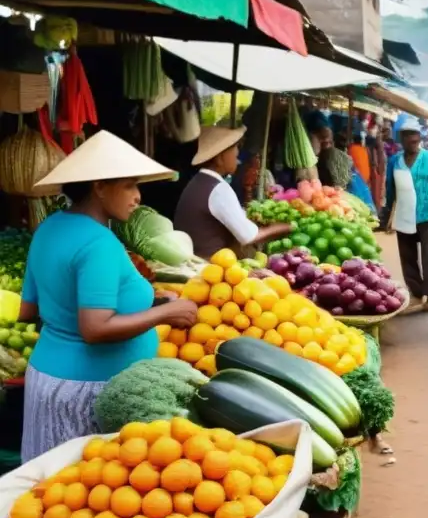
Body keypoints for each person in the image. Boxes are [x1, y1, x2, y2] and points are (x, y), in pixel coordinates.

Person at [19, 131, 200, 461]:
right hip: (84, 393)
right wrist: (165, 314)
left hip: (46, 380)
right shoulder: (98, 243)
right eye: (129, 185)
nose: (138, 196)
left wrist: (151, 301)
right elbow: (95, 328)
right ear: (99, 187)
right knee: (81, 495)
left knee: (45, 490)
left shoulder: (49, 227)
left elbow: (28, 309)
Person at [175, 126, 294, 260]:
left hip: (194, 261)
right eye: (235, 153)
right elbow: (248, 236)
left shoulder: (198, 182)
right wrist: (285, 227)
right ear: (220, 158)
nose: (238, 160)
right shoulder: (218, 189)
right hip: (209, 267)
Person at [382, 114, 428, 313]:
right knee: (408, 257)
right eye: (407, 135)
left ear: (420, 137)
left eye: (414, 135)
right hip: (404, 214)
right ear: (402, 139)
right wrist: (386, 216)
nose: (411, 139)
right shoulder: (394, 161)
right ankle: (416, 293)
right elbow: (390, 190)